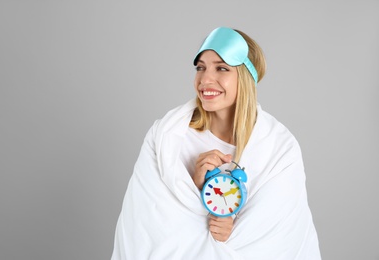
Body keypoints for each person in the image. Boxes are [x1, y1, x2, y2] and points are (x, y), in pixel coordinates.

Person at [111, 27, 321, 259]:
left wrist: (229, 226)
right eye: (200, 67)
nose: (205, 79)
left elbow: (276, 240)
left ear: (245, 77)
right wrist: (193, 187)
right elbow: (146, 229)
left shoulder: (279, 148)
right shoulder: (166, 138)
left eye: (222, 68)